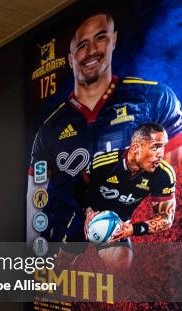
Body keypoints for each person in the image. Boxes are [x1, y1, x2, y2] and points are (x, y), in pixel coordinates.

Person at [27, 10, 182, 244]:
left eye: (100, 37)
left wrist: (134, 228)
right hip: (69, 232)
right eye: (81, 45)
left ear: (114, 40)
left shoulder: (154, 98)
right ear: (70, 58)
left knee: (119, 261)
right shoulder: (50, 129)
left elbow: (174, 176)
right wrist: (32, 248)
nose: (91, 51)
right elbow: (36, 196)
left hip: (124, 227)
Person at [62, 123, 176, 270]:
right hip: (86, 217)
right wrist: (88, 211)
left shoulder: (164, 174)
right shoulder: (104, 163)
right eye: (155, 147)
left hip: (118, 226)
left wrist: (132, 229)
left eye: (163, 147)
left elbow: (166, 219)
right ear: (136, 148)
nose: (161, 154)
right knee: (62, 262)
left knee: (122, 265)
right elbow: (78, 188)